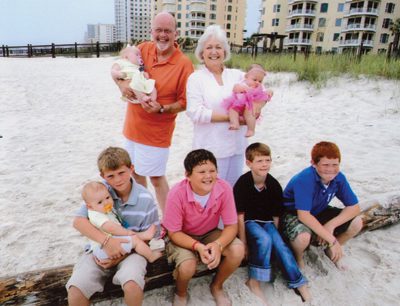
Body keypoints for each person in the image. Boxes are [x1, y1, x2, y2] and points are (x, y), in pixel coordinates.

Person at [113, 12, 194, 213]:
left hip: (158, 132)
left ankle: (169, 221)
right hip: (132, 128)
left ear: (176, 34)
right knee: (136, 174)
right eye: (159, 30)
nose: (163, 35)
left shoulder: (184, 64)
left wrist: (162, 109)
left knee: (157, 178)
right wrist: (121, 85)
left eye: (168, 31)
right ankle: (145, 215)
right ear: (152, 32)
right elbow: (121, 68)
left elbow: (185, 102)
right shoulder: (142, 49)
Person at [66, 147, 160, 306]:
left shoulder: (145, 199)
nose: (117, 180)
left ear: (131, 169)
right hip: (99, 248)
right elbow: (78, 222)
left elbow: (151, 237)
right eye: (111, 176)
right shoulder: (99, 191)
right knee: (76, 288)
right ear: (103, 176)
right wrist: (107, 242)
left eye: (122, 173)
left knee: (132, 284)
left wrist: (119, 256)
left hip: (132, 252)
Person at [186, 25, 269, 187]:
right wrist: (231, 118)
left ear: (225, 51)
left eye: (218, 47)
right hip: (211, 148)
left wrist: (257, 108)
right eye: (209, 47)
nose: (214, 51)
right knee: (211, 193)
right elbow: (195, 112)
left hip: (237, 147)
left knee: (232, 192)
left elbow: (261, 92)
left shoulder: (238, 75)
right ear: (202, 53)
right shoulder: (196, 78)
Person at [162, 149, 245, 306]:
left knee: (238, 249)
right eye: (201, 172)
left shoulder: (224, 187)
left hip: (209, 232)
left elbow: (231, 225)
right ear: (188, 175)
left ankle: (217, 285)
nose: (208, 176)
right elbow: (173, 232)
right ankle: (180, 292)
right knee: (188, 266)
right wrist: (197, 246)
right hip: (182, 236)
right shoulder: (176, 193)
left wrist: (218, 244)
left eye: (212, 170)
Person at [234, 143, 310, 305]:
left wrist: (277, 235)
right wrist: (244, 242)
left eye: (267, 160)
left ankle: (298, 281)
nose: (264, 164)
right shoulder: (242, 183)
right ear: (249, 163)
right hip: (249, 222)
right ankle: (254, 281)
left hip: (268, 221)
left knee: (279, 245)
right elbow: (239, 216)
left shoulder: (273, 184)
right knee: (264, 239)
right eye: (260, 161)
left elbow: (276, 216)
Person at [281, 141, 363, 270]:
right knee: (303, 238)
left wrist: (330, 225)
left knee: (357, 222)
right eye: (325, 164)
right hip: (293, 213)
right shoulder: (305, 179)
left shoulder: (339, 177)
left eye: (335, 164)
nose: (330, 169)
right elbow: (303, 215)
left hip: (318, 210)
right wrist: (331, 238)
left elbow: (354, 207)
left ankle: (332, 250)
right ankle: (298, 258)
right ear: (313, 163)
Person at [82, 181, 162, 263]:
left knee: (132, 239)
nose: (106, 202)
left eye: (107, 197)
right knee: (135, 240)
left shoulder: (102, 210)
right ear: (89, 206)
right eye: (100, 202)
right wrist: (127, 232)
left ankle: (143, 236)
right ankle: (151, 256)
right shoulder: (95, 215)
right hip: (104, 249)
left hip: (109, 245)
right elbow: (111, 228)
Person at [222, 64, 272, 137]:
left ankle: (251, 130)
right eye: (254, 80)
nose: (257, 82)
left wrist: (270, 92)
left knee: (250, 114)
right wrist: (244, 88)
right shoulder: (242, 83)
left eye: (260, 81)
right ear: (246, 77)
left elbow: (265, 94)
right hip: (238, 103)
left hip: (250, 105)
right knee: (232, 110)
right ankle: (235, 123)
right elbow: (235, 88)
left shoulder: (260, 87)